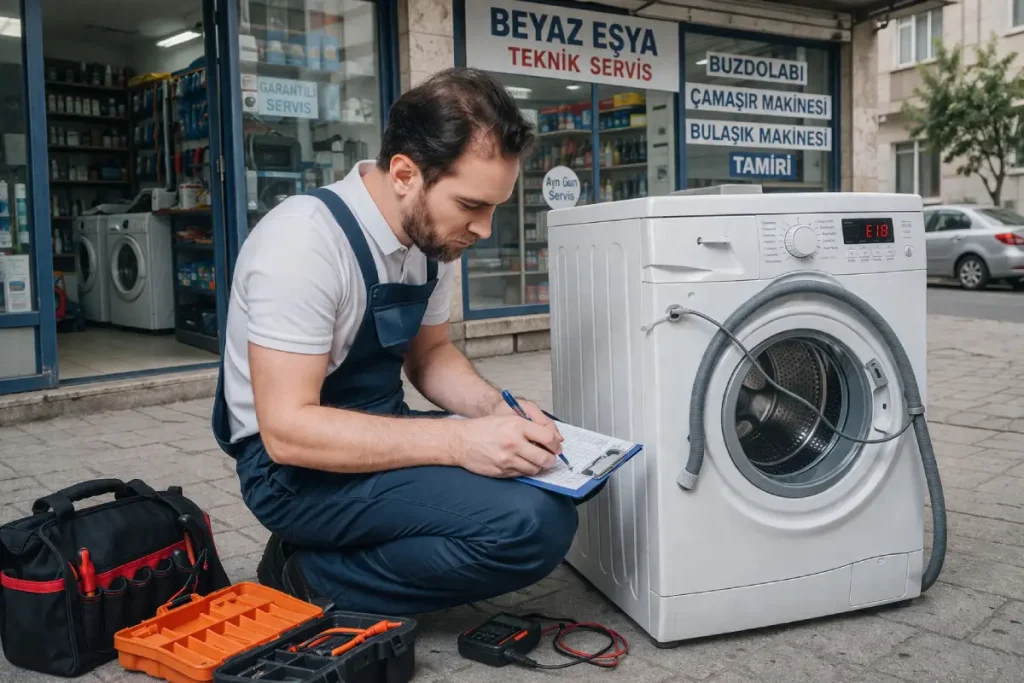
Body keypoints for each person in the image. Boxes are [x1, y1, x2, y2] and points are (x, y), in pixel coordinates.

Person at [211, 67, 585, 616]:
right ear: (406, 174)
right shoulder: (302, 244)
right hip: (291, 473)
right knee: (532, 526)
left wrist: (498, 409)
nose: (482, 229)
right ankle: (305, 575)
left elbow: (430, 357)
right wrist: (462, 444)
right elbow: (289, 432)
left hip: (379, 433)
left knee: (550, 460)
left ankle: (352, 543)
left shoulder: (431, 238)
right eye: (471, 205)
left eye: (494, 208)